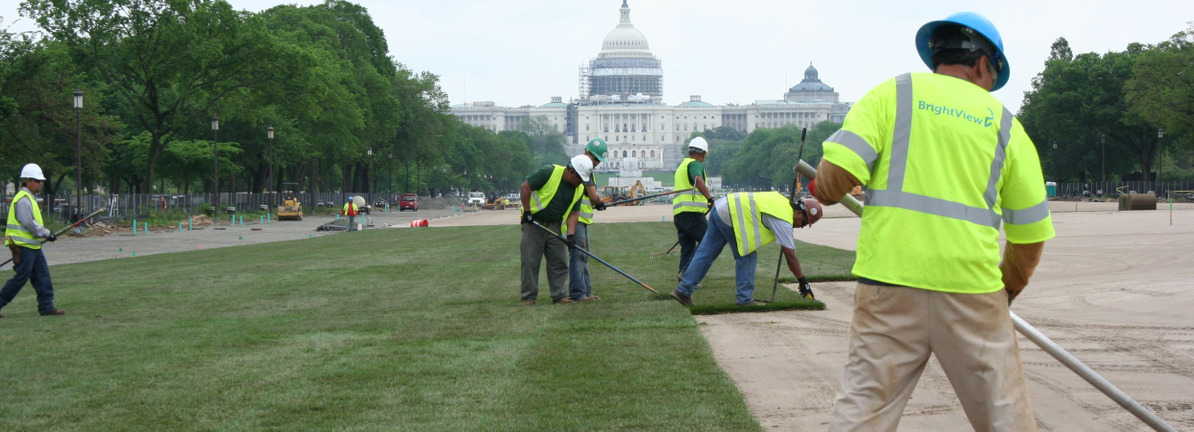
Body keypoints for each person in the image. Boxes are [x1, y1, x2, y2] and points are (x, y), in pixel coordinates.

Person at [810, 12, 1054, 431]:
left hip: (888, 284)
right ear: (982, 64)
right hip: (971, 291)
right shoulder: (1007, 126)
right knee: (1005, 417)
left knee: (862, 412)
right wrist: (1007, 287)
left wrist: (821, 191)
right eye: (994, 74)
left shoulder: (894, 95)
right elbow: (1030, 236)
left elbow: (834, 180)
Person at [670, 192, 821, 306]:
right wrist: (802, 281)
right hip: (731, 215)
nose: (800, 227)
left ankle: (683, 290)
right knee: (747, 256)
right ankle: (744, 299)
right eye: (803, 223)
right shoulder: (783, 219)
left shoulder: (781, 202)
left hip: (721, 207)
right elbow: (790, 254)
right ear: (799, 213)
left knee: (706, 253)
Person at [519, 154, 594, 306]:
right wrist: (527, 212)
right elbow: (525, 187)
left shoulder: (579, 189)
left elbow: (574, 214)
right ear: (571, 171)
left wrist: (571, 235)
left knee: (559, 262)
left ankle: (559, 295)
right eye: (579, 178)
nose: (580, 182)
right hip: (534, 224)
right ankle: (529, 297)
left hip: (556, 226)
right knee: (530, 262)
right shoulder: (549, 172)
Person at [0, 163, 65, 317]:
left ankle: (46, 307)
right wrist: (47, 233)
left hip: (32, 246)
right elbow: (29, 223)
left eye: (41, 181)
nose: (40, 184)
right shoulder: (23, 199)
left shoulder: (29, 198)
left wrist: (44, 234)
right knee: (21, 278)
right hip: (22, 247)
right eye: (37, 181)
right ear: (28, 181)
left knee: (43, 277)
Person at [569, 139, 609, 302]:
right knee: (579, 256)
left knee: (583, 256)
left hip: (582, 219)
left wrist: (597, 203)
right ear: (587, 153)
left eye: (599, 160)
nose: (597, 163)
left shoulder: (584, 168)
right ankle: (578, 293)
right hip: (576, 219)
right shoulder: (584, 169)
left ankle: (586, 291)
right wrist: (599, 203)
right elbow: (593, 196)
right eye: (596, 159)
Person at [671, 136, 715, 280]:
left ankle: (684, 278)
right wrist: (709, 198)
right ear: (702, 154)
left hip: (679, 215)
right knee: (708, 241)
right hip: (692, 213)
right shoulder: (695, 164)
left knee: (688, 249)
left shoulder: (681, 166)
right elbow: (697, 178)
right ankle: (688, 272)